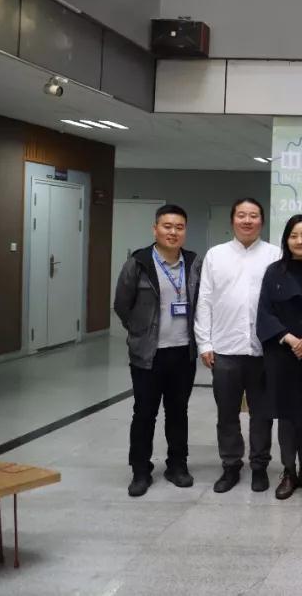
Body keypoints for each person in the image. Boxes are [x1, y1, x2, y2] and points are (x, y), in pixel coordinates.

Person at [194, 197, 282, 494]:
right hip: (225, 349)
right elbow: (204, 300)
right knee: (227, 414)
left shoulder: (274, 254)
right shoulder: (215, 255)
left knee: (262, 414)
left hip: (263, 350)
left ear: (262, 221)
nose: (247, 220)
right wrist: (204, 343)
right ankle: (231, 465)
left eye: (253, 215)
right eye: (242, 215)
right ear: (232, 220)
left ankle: (259, 466)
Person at [114, 204, 200, 497]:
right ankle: (140, 470)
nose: (173, 232)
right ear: (155, 229)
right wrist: (140, 332)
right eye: (167, 226)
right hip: (148, 354)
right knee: (144, 413)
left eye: (179, 227)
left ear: (185, 231)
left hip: (183, 352)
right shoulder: (138, 263)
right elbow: (121, 305)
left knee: (178, 412)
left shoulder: (193, 263)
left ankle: (177, 465)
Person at [256, 214, 302, 500]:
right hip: (282, 354)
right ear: (286, 240)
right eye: (294, 235)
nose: (299, 241)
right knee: (286, 415)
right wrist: (290, 339)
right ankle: (288, 471)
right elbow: (264, 313)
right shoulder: (274, 272)